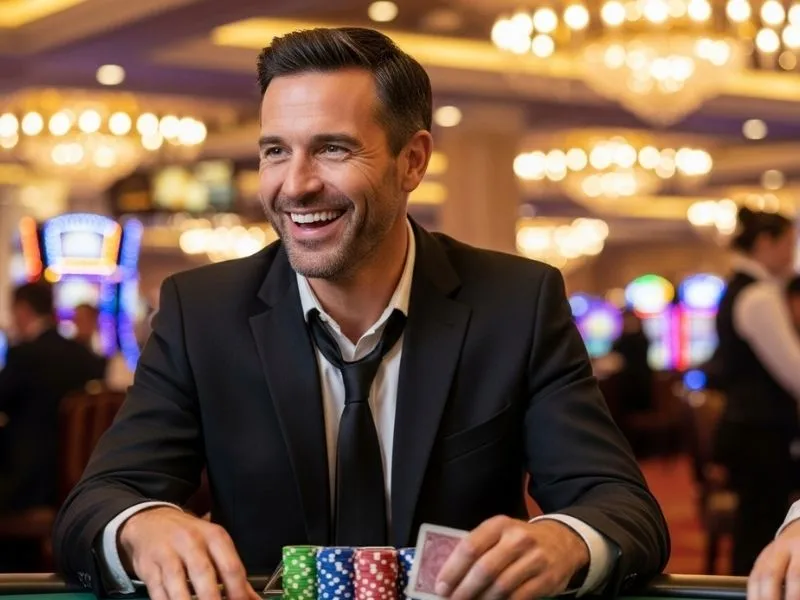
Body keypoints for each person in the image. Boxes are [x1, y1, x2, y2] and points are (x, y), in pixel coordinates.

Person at [53, 27, 669, 600]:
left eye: (332, 148)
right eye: (275, 150)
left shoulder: (516, 301)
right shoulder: (202, 310)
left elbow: (620, 504)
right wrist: (144, 525)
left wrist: (562, 541)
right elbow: (97, 504)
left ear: (413, 161)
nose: (294, 185)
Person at [713, 206, 800, 576]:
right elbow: (795, 373)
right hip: (759, 433)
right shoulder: (760, 295)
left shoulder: (738, 287)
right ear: (765, 243)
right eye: (789, 245)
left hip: (746, 427)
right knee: (760, 533)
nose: (792, 255)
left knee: (757, 528)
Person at [0, 283, 105, 512]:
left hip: (26, 480)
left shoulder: (24, 354)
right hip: (80, 477)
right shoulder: (83, 355)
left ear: (22, 309)